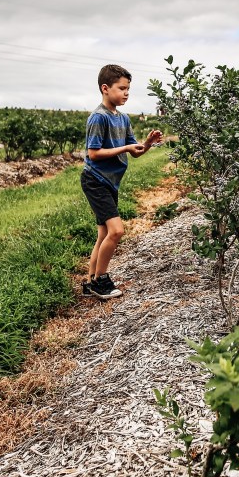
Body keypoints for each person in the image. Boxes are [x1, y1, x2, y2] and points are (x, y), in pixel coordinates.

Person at [80, 64, 163, 300]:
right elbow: (93, 153)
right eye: (121, 88)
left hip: (110, 182)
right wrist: (125, 147)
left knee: (103, 234)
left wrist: (146, 144)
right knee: (116, 231)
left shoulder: (123, 118)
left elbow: (135, 152)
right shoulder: (99, 117)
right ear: (105, 89)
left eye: (128, 89)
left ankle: (90, 283)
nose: (126, 93)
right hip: (95, 180)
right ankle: (101, 280)